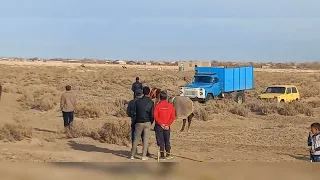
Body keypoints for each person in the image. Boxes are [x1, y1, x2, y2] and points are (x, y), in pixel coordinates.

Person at [130, 86, 154, 160]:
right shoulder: (151, 102)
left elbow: (134, 113)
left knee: (136, 139)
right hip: (147, 122)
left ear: (143, 92)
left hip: (138, 122)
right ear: (149, 93)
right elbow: (152, 114)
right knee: (146, 139)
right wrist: (151, 122)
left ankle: (132, 155)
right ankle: (144, 156)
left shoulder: (137, 101)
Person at [126, 89, 151, 157]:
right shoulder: (145, 102)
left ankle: (134, 152)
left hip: (134, 122)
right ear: (142, 93)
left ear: (135, 94)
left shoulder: (131, 102)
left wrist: (132, 116)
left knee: (135, 137)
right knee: (145, 137)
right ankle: (146, 152)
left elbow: (128, 112)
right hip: (145, 121)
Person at [154, 90, 176, 160]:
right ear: (166, 98)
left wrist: (161, 124)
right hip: (167, 126)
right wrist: (167, 124)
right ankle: (168, 154)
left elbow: (155, 116)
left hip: (159, 126)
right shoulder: (170, 106)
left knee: (161, 141)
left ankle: (162, 155)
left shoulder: (157, 106)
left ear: (160, 98)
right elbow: (173, 117)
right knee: (167, 140)